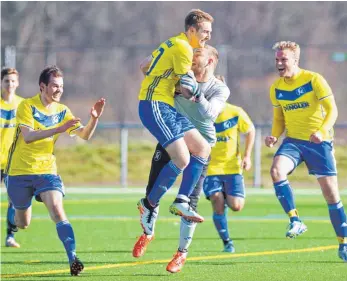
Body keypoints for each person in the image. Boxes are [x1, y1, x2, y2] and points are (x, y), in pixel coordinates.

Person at [133, 45, 230, 274]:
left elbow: (210, 114)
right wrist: (163, 53)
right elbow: (147, 67)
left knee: (190, 204)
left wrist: (193, 92)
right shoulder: (178, 74)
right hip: (172, 137)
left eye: (199, 54)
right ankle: (147, 233)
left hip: (200, 148)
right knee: (152, 193)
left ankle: (181, 253)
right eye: (193, 53)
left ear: (211, 61)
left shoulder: (219, 88)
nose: (193, 58)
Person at [5, 65, 106, 275]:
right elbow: (28, 137)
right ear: (42, 87)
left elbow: (84, 135)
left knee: (58, 210)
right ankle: (13, 215)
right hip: (19, 172)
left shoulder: (62, 111)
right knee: (22, 223)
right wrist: (59, 129)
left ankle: (73, 259)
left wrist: (94, 119)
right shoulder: (26, 106)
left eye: (61, 86)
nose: (59, 90)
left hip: (46, 171)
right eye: (54, 86)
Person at [264, 41, 347, 261]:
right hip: (293, 142)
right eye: (277, 60)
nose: (280, 63)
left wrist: (321, 130)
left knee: (332, 197)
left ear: (295, 61)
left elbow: (333, 110)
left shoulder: (314, 79)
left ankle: (344, 243)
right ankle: (295, 220)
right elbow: (279, 119)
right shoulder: (276, 88)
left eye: (284, 59)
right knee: (276, 171)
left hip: (319, 143)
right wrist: (274, 135)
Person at [137, 9, 213, 225]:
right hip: (154, 105)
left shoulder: (173, 42)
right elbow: (189, 91)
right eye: (205, 32)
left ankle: (181, 200)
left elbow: (144, 65)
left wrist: (162, 82)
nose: (208, 37)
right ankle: (149, 205)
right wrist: (197, 93)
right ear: (191, 30)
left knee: (202, 148)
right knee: (182, 158)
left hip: (164, 104)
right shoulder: (183, 48)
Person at [203, 93, 255, 253]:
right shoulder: (201, 114)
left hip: (233, 167)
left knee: (236, 206)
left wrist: (247, 156)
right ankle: (227, 242)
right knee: (216, 200)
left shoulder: (235, 112)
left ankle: (225, 198)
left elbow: (250, 130)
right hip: (211, 168)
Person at [1, 68, 23, 248]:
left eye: (13, 81)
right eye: (7, 81)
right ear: (1, 83)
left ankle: (9, 236)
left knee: (13, 199)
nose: (10, 84)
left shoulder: (23, 105)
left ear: (18, 83)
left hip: (11, 162)